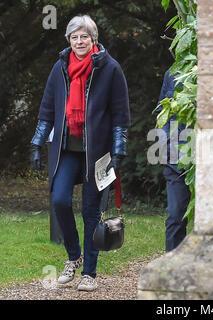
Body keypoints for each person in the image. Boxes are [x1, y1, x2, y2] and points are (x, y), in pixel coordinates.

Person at [30, 15, 130, 291]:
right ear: (69, 40)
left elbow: (121, 115)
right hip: (67, 151)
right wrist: (37, 143)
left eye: (84, 36)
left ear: (93, 38)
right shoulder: (60, 67)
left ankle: (89, 273)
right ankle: (73, 257)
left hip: (97, 154)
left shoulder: (110, 68)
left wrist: (118, 151)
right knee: (60, 201)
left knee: (90, 212)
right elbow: (47, 109)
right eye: (74, 37)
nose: (79, 41)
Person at [157, 68, 191, 252]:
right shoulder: (172, 72)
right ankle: (171, 270)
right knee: (175, 217)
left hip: (211, 157)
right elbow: (163, 112)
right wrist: (165, 147)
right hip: (176, 159)